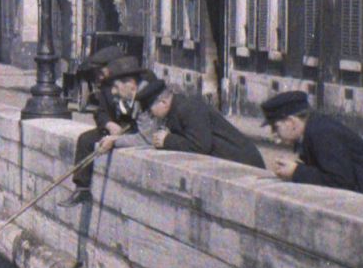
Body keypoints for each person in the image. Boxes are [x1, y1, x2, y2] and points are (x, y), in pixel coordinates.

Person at [258, 91, 363, 205]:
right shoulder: (316, 128)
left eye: (275, 127)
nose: (274, 136)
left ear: (291, 122)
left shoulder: (321, 133)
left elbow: (340, 181)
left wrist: (296, 172)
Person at [133, 78, 268, 171]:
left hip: (243, 162)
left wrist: (167, 140)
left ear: (163, 102)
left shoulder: (187, 108)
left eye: (150, 110)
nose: (151, 114)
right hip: (231, 162)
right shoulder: (177, 109)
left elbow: (200, 146)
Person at [76, 55, 147, 191]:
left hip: (130, 133)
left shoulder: (142, 94)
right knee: (85, 139)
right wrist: (109, 124)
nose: (99, 77)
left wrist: (116, 140)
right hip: (113, 129)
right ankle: (82, 188)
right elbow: (100, 113)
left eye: (102, 72)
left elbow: (143, 133)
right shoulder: (108, 90)